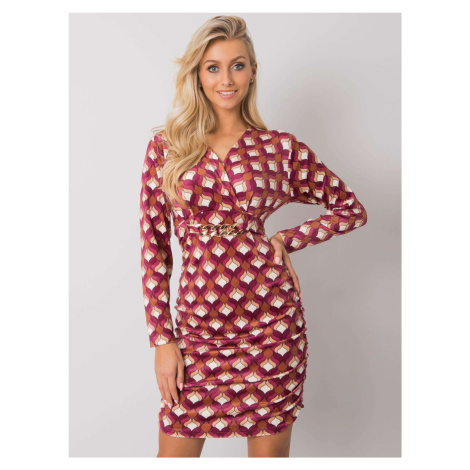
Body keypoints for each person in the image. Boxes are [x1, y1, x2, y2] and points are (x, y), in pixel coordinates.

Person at [139, 15, 368, 458]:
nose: (226, 79)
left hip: (271, 328)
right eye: (213, 67)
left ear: (253, 71)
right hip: (197, 331)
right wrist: (162, 339)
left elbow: (350, 209)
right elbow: (154, 250)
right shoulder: (167, 147)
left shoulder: (279, 148)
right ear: (197, 74)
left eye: (237, 65)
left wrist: (285, 240)